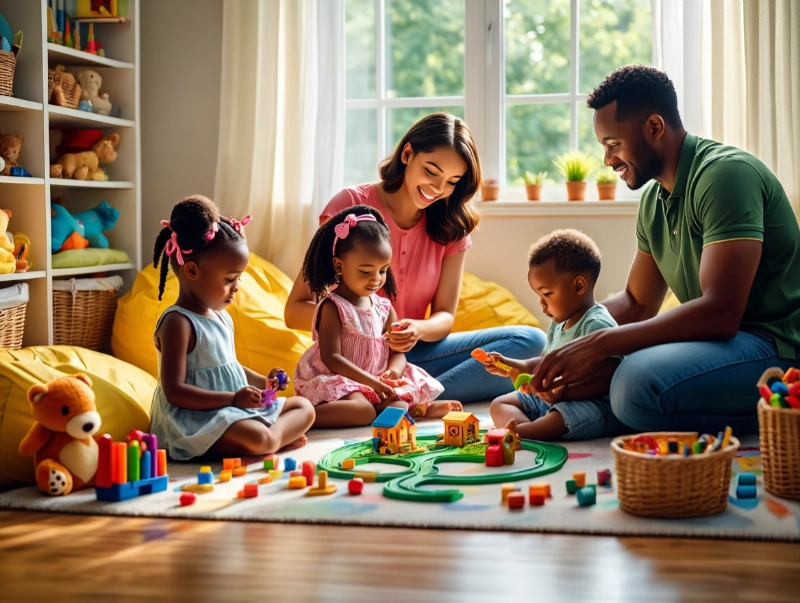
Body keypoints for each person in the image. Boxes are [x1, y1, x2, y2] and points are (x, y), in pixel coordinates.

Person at [528, 65, 800, 435]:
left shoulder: (725, 176)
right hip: (722, 344)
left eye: (613, 144)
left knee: (633, 384)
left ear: (654, 127)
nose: (607, 160)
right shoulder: (654, 200)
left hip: (775, 344)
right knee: (624, 374)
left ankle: (783, 411)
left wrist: (599, 344)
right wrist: (563, 344)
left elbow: (722, 312)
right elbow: (637, 302)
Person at [285, 113, 545, 403]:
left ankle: (405, 397)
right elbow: (294, 310)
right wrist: (359, 324)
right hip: (352, 359)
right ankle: (404, 396)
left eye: (451, 181)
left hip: (410, 355)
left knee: (531, 342)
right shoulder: (351, 205)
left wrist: (418, 329)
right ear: (407, 154)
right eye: (431, 172)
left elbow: (445, 316)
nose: (438, 189)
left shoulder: (451, 226)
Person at [149, 195, 315, 460]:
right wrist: (233, 399)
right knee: (259, 437)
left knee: (304, 406)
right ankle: (273, 439)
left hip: (232, 409)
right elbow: (175, 391)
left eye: (239, 278)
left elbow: (230, 367)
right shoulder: (177, 323)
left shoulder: (222, 317)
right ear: (192, 271)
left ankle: (272, 438)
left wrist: (265, 382)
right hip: (195, 419)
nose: (236, 287)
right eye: (229, 279)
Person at [294, 205, 463, 428]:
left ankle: (418, 409)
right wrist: (371, 382)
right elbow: (331, 358)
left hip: (373, 383)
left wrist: (393, 372)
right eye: (366, 271)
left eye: (382, 270)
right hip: (339, 381)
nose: (376, 279)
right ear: (339, 265)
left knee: (398, 405)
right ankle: (300, 415)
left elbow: (397, 353)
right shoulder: (333, 306)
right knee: (362, 410)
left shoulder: (384, 308)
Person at [484, 230, 628, 440]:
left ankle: (523, 432)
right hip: (553, 398)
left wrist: (564, 392)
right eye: (538, 295)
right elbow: (545, 363)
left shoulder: (596, 324)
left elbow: (607, 378)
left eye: (547, 294)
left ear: (579, 286)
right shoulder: (558, 323)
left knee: (557, 419)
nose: (542, 304)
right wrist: (514, 365)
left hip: (590, 403)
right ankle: (525, 428)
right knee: (500, 403)